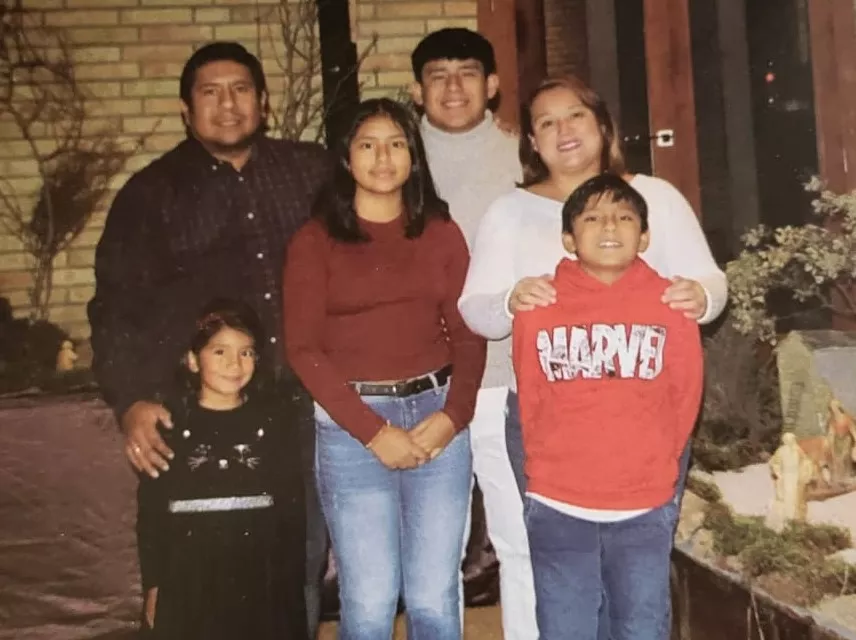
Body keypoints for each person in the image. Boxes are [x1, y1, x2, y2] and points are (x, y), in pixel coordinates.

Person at [458, 74, 727, 635]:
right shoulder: (509, 210)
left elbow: (710, 284)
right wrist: (510, 298)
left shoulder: (655, 197)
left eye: (575, 115)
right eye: (546, 123)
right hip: (546, 422)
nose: (563, 131)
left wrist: (702, 296)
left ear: (602, 125)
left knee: (635, 580)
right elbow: (475, 310)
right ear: (532, 141)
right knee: (554, 576)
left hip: (644, 423)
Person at [87, 42, 331, 638]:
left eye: (242, 89)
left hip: (297, 405)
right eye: (210, 91)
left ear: (264, 101)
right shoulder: (151, 194)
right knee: (206, 566)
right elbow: (117, 306)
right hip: (204, 414)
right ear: (185, 109)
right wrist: (132, 400)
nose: (228, 104)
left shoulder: (312, 173)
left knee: (295, 558)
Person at [283, 97, 486, 639]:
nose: (382, 157)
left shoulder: (441, 232)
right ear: (346, 159)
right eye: (367, 144)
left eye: (396, 144)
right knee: (370, 601)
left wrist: (453, 416)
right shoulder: (315, 240)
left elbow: (467, 334)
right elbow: (302, 348)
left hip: (435, 415)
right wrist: (373, 432)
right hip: (354, 423)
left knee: (434, 597)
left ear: (413, 158)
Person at [512, 174, 704, 639]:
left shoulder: (671, 305)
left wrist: (657, 468)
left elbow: (685, 397)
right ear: (567, 238)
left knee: (641, 625)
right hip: (558, 501)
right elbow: (530, 395)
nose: (609, 226)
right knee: (564, 627)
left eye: (624, 217)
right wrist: (548, 471)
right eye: (592, 218)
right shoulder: (539, 307)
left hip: (644, 503)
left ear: (645, 236)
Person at [410, 28, 536, 639]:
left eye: (467, 73)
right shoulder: (392, 163)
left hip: (507, 378)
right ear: (417, 90)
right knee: (435, 555)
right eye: (438, 75)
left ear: (492, 86)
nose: (453, 87)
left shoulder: (527, 159)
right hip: (421, 385)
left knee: (517, 538)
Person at [137, 298, 307, 639]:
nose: (235, 363)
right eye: (219, 352)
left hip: (260, 579)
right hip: (191, 582)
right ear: (192, 360)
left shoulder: (276, 422)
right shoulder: (168, 426)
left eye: (246, 352)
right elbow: (151, 515)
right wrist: (153, 586)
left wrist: (290, 593)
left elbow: (291, 512)